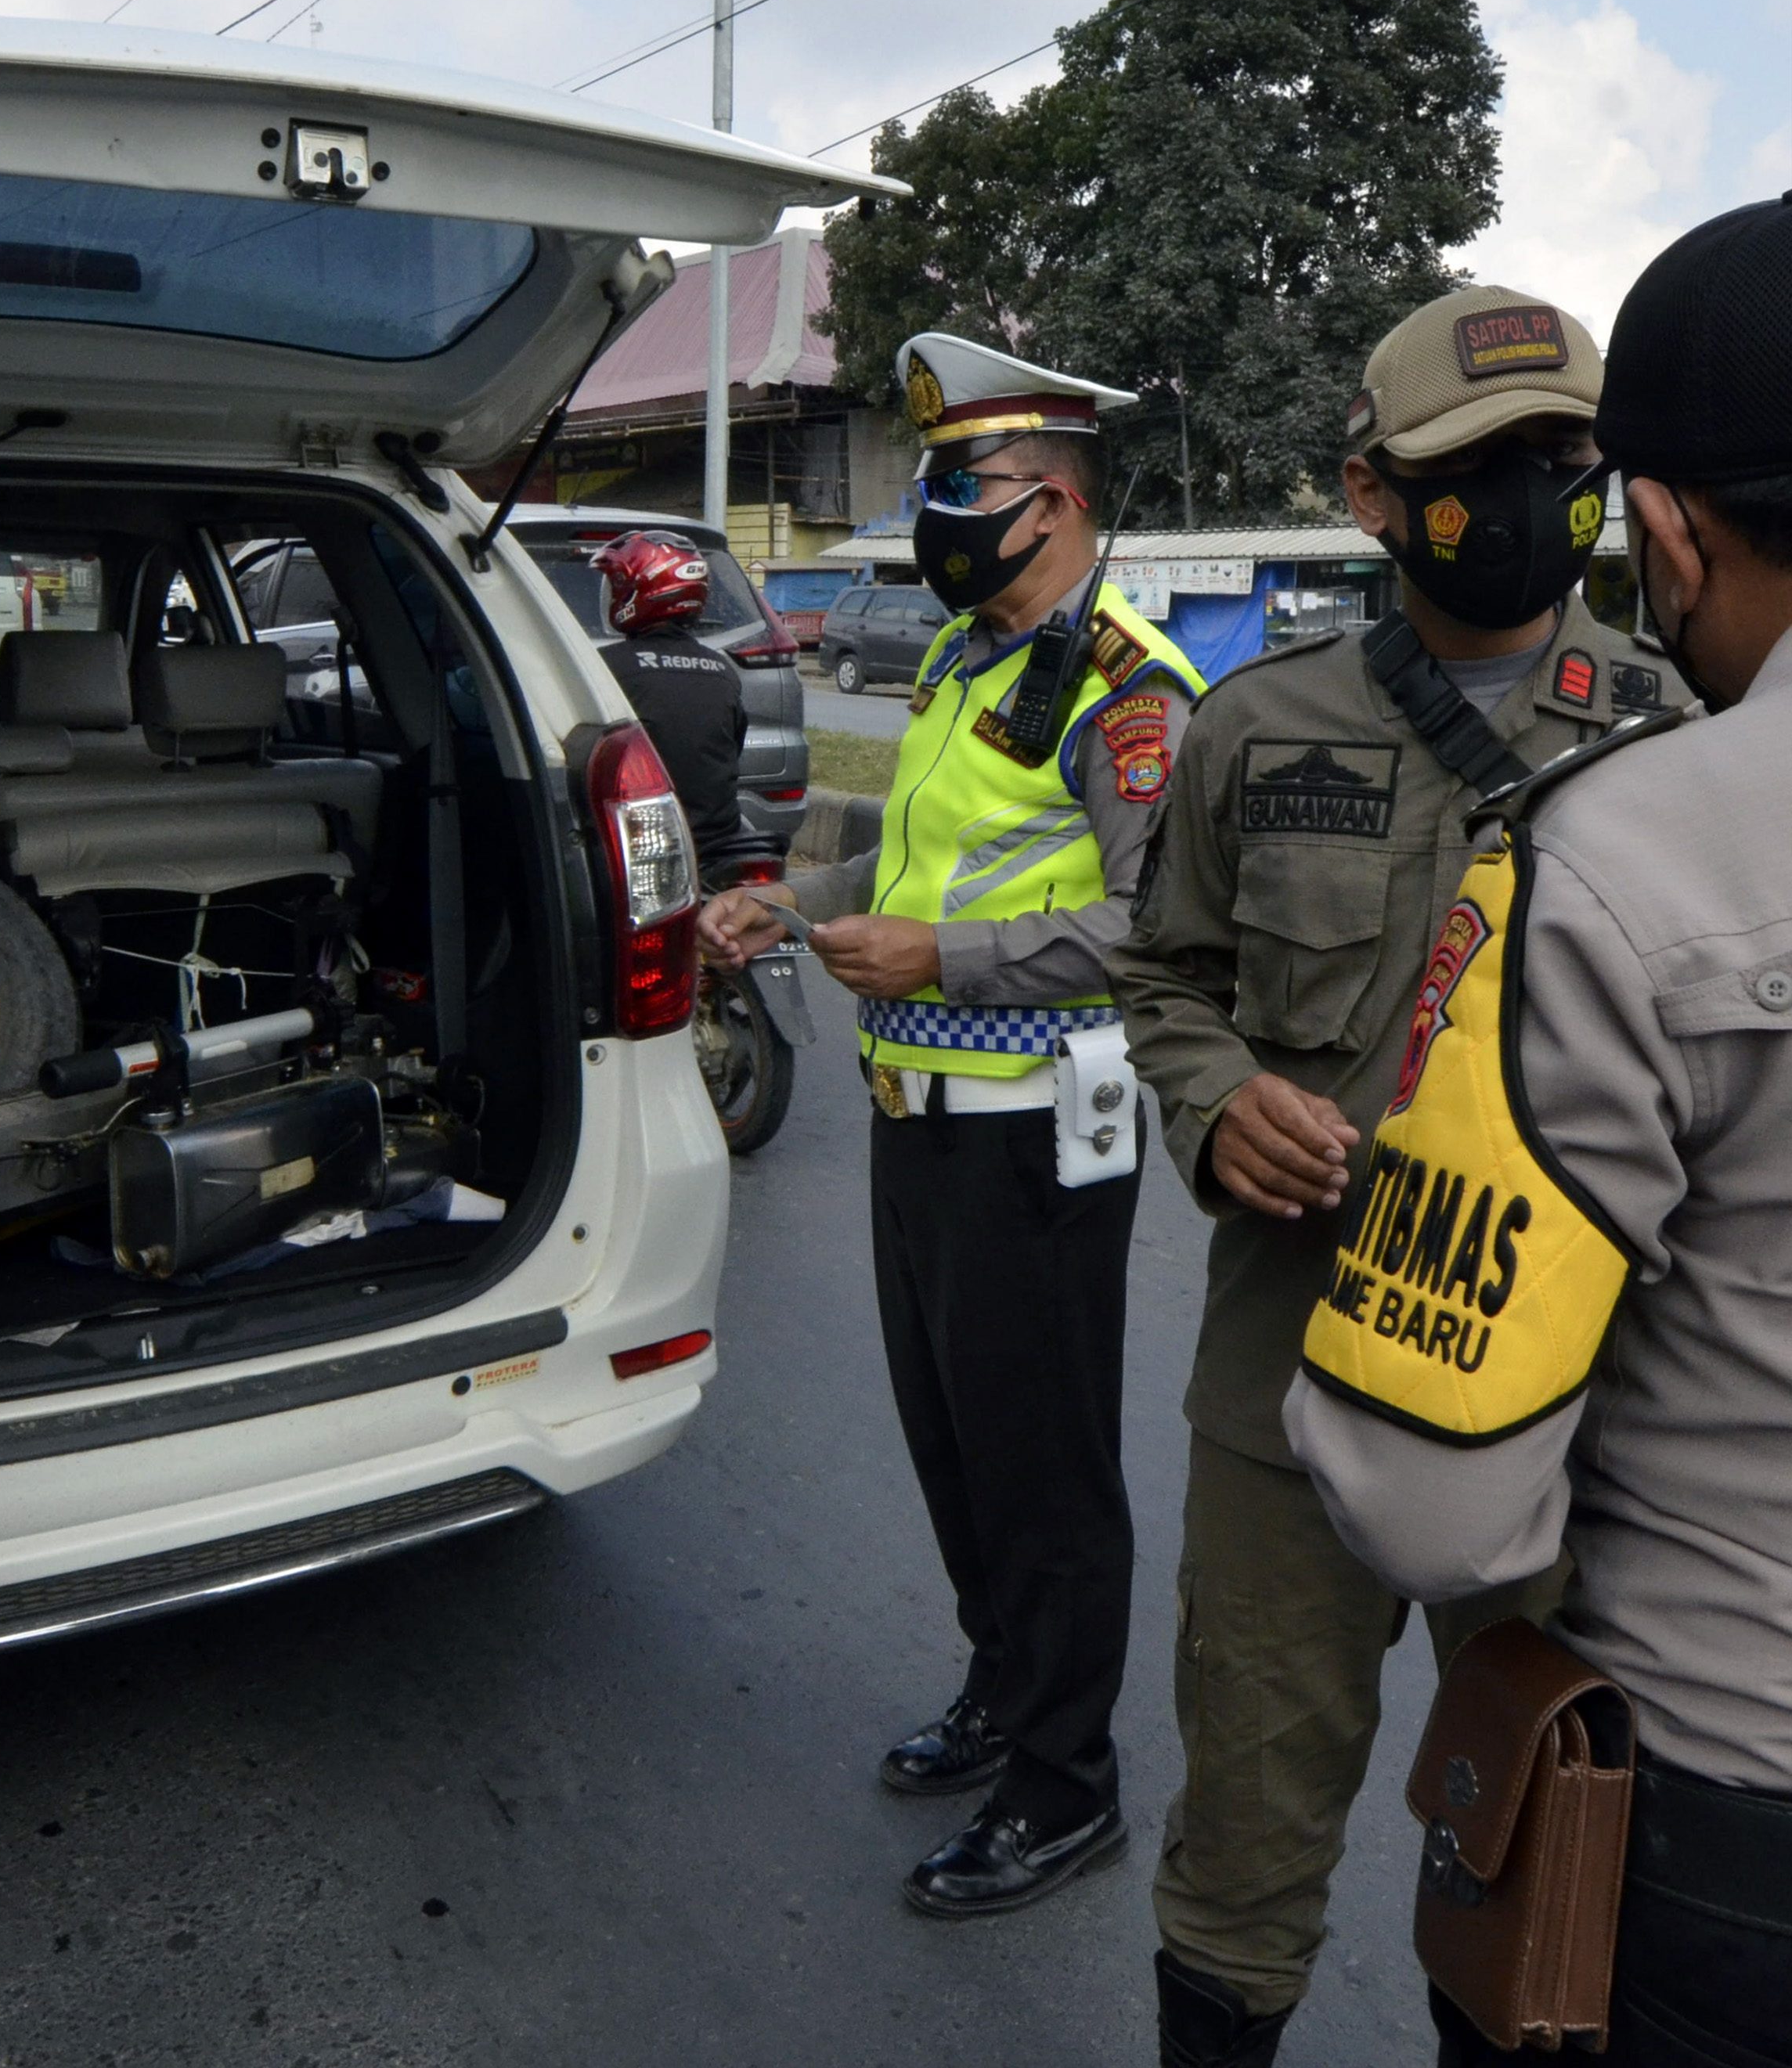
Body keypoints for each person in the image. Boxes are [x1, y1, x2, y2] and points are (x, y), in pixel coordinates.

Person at [1109, 284, 1679, 2063]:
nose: (1522, 497)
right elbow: (1162, 973)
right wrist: (1214, 1103)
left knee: (1533, 1843)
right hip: (1290, 1386)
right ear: (1368, 491)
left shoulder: (1686, 734)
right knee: (1247, 1836)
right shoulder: (1254, 730)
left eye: (1557, 459)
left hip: (1576, 1416)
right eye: (1472, 466)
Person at [1286, 200, 1792, 2066]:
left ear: (1654, 526)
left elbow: (1429, 1492)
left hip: (1723, 1821)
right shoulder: (1261, 721)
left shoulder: (1622, 851)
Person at [700, 332, 1202, 1915]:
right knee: (953, 1440)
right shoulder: (964, 659)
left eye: (952, 482)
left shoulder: (1130, 696)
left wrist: (942, 957)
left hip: (1034, 1132)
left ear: (1049, 502)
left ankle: (1065, 1784)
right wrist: (790, 902)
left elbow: (1157, 930)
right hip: (912, 1117)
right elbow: (914, 875)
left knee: (1044, 1467)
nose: (929, 509)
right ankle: (1002, 1691)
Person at [591, 527, 756, 879]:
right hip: (720, 844)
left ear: (639, 590)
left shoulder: (606, 668)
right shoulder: (722, 670)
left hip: (645, 849)